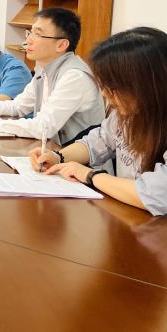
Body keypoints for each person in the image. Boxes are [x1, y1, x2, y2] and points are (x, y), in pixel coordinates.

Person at [28, 27, 167, 215]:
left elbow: (156, 195)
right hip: (130, 216)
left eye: (113, 87)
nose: (105, 94)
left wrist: (90, 175)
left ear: (147, 84)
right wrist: (57, 157)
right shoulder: (126, 115)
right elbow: (97, 142)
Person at [0, 8, 105, 145]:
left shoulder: (74, 76)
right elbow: (18, 106)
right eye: (30, 32)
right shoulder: (45, 70)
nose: (27, 40)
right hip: (52, 153)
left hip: (79, 164)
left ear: (61, 45)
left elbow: (42, 127)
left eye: (37, 34)